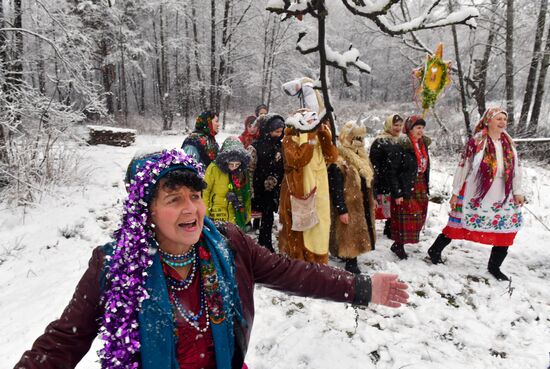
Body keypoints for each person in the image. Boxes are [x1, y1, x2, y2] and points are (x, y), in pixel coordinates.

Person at [14, 149, 409, 369]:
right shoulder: (112, 266)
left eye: (195, 196)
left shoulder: (228, 243)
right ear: (145, 212)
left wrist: (361, 287)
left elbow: (291, 272)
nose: (191, 210)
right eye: (174, 199)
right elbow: (63, 341)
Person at [427, 108, 524, 281]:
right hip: (476, 191)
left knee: (506, 230)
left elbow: (516, 169)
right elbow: (463, 166)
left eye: (504, 119)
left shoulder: (508, 143)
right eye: (498, 119)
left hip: (503, 194)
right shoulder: (477, 142)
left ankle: (494, 267)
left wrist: (518, 191)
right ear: (488, 121)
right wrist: (455, 192)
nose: (503, 122)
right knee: (457, 225)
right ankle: (434, 250)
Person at [278, 109, 338, 264]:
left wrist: (325, 137)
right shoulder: (289, 139)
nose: (315, 124)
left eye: (315, 120)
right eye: (311, 120)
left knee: (320, 227)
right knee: (301, 230)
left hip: (319, 194)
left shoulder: (316, 138)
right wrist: (309, 136)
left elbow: (332, 156)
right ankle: (301, 265)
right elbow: (299, 160)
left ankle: (319, 261)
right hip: (299, 194)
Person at [328, 120, 376, 274]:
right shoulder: (339, 159)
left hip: (361, 201)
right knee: (349, 231)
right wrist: (341, 208)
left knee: (357, 230)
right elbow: (335, 189)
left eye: (361, 139)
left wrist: (371, 198)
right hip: (349, 203)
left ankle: (348, 255)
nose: (358, 142)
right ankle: (350, 261)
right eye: (355, 138)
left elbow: (367, 181)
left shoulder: (362, 158)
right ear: (346, 137)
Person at [389, 115, 431, 260]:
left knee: (419, 216)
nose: (421, 131)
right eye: (418, 128)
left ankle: (399, 243)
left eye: (422, 128)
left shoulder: (423, 144)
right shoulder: (402, 145)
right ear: (410, 129)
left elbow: (426, 166)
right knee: (407, 216)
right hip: (406, 185)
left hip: (420, 184)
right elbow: (393, 171)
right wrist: (397, 192)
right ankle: (398, 245)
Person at [250, 114, 285, 252]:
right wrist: (253, 188)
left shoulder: (280, 145)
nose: (279, 134)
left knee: (269, 216)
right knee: (262, 214)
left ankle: (266, 242)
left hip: (274, 187)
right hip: (260, 186)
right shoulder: (257, 145)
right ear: (268, 130)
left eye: (281, 132)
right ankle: (262, 243)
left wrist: (277, 177)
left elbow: (282, 165)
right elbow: (251, 168)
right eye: (276, 131)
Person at [203, 137, 252, 230]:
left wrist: (247, 216)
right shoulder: (214, 168)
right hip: (216, 214)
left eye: (237, 165)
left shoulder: (242, 172)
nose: (234, 168)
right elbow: (205, 192)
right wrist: (205, 216)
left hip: (235, 215)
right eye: (231, 164)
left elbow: (247, 196)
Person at [369, 113, 404, 238]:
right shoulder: (380, 142)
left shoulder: (400, 141)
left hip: (394, 181)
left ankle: (389, 229)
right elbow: (374, 166)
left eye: (400, 125)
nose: (398, 128)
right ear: (389, 125)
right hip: (382, 180)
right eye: (395, 125)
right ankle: (370, 232)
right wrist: (375, 182)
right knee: (377, 208)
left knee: (392, 210)